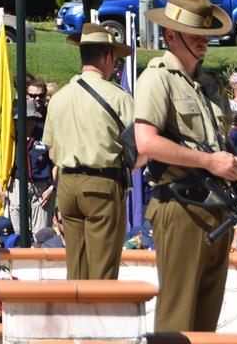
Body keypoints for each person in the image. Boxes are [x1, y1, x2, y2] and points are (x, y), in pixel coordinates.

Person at [135, 0, 237, 332]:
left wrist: (233, 168)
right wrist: (210, 163)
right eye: (195, 34)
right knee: (176, 320)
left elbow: (217, 144)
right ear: (170, 35)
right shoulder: (157, 77)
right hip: (181, 208)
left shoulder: (210, 85)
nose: (203, 42)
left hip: (218, 208)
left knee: (206, 322)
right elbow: (145, 142)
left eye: (206, 35)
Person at [44, 23, 134, 280]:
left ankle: (76, 317)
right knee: (103, 268)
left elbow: (51, 152)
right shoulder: (118, 97)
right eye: (114, 59)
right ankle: (100, 318)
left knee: (77, 265)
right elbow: (141, 147)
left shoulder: (59, 97)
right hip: (102, 184)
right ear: (106, 57)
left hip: (67, 184)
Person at [5, 99, 55, 234]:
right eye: (23, 119)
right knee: (18, 230)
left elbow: (55, 163)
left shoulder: (45, 133)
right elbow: (4, 162)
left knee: (41, 231)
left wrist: (51, 187)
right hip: (17, 184)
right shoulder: (11, 136)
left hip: (41, 186)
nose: (27, 123)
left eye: (30, 119)